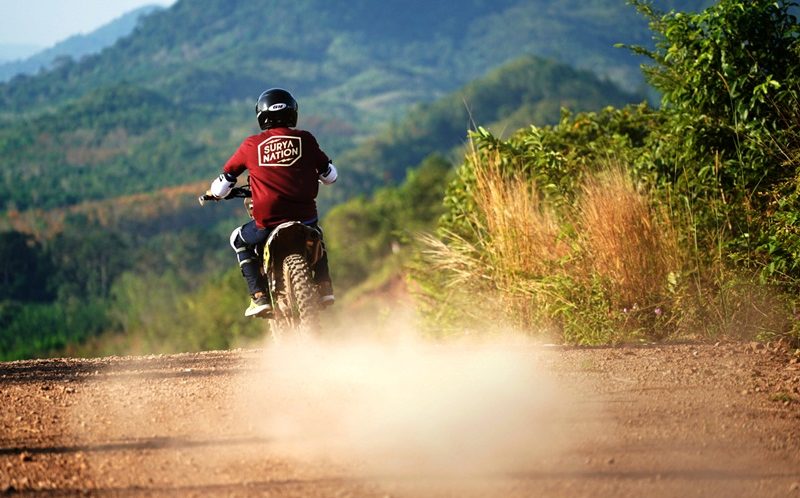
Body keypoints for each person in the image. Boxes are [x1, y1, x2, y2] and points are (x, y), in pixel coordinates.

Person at [205, 88, 337, 317]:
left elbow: (223, 184)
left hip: (267, 221)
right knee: (317, 234)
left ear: (261, 116)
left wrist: (215, 194)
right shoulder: (306, 139)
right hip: (305, 217)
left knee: (239, 239)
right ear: (293, 112)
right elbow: (331, 176)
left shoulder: (251, 145)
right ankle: (324, 287)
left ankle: (259, 296)